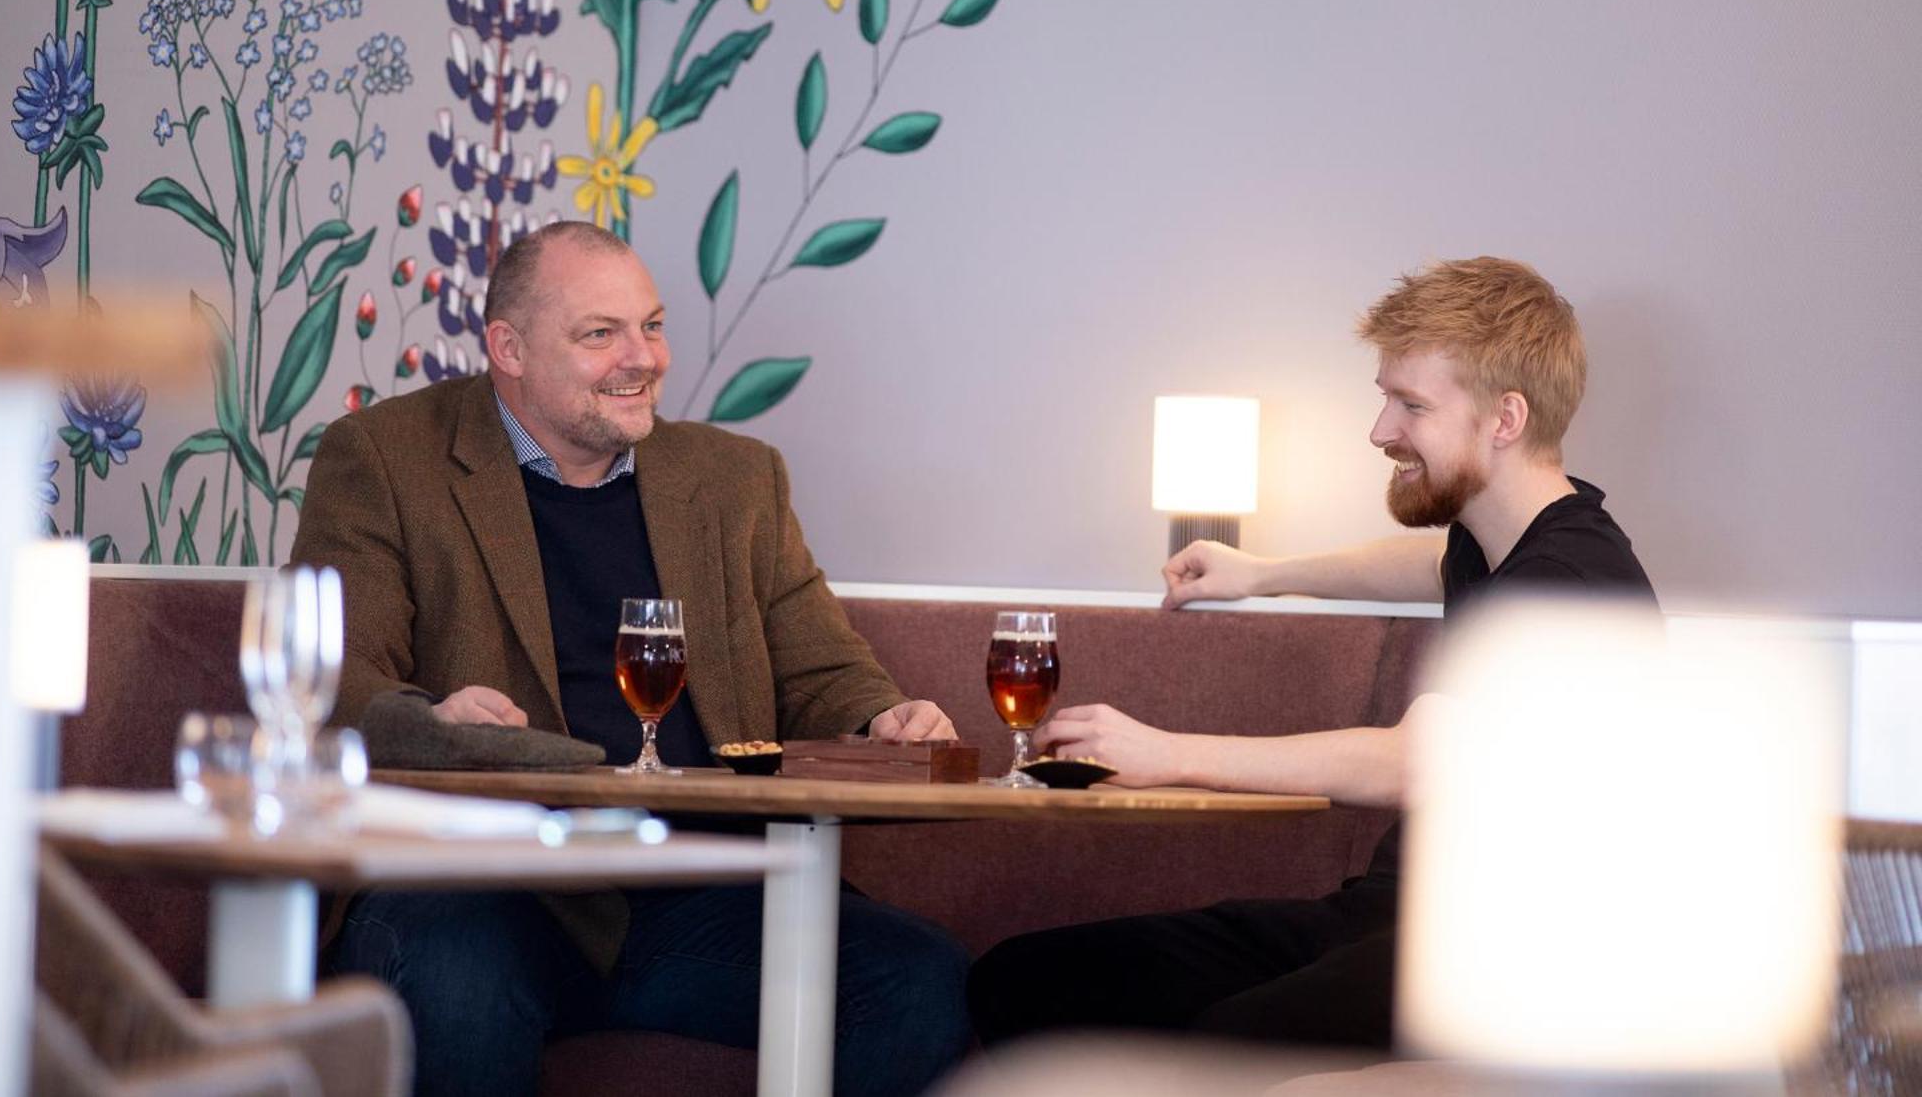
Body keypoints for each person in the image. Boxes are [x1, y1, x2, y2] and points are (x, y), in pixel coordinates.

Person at [293, 221, 969, 1097]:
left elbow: (821, 671)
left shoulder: (735, 479)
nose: (642, 357)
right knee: (454, 971)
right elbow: (335, 679)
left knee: (918, 977)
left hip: (702, 887)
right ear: (508, 347)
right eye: (599, 333)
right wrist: (428, 720)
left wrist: (884, 717)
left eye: (651, 325)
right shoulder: (385, 459)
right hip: (493, 885)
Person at [967, 255, 1656, 1051]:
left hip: (1498, 954)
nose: (1381, 431)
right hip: (1384, 913)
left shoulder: (1571, 584)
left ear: (1505, 418)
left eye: (1411, 405)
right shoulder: (1497, 540)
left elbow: (1413, 763)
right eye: (1384, 399)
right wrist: (1263, 573)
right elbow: (1421, 561)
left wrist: (1164, 752)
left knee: (1231, 1040)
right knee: (1025, 977)